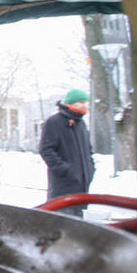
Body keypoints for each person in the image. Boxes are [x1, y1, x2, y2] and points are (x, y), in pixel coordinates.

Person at [39, 88, 95, 217]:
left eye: (86, 102)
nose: (84, 105)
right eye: (81, 102)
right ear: (70, 103)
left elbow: (89, 150)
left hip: (81, 186)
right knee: (62, 224)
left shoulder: (81, 124)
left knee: (77, 225)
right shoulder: (54, 122)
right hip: (63, 187)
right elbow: (46, 149)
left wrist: (90, 168)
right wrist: (64, 169)